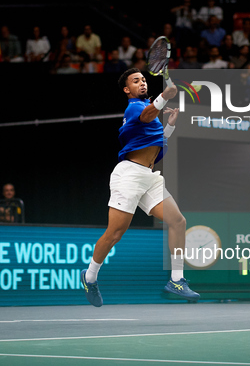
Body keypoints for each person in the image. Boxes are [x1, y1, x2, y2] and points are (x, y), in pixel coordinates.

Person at [81, 68, 199, 307]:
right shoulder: (135, 107)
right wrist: (165, 95)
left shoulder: (151, 113)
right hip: (129, 176)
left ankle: (177, 280)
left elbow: (154, 146)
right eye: (136, 81)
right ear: (127, 89)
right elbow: (146, 115)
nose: (142, 83)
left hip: (149, 176)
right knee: (115, 234)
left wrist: (171, 127)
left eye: (144, 79)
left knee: (178, 221)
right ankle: (90, 276)